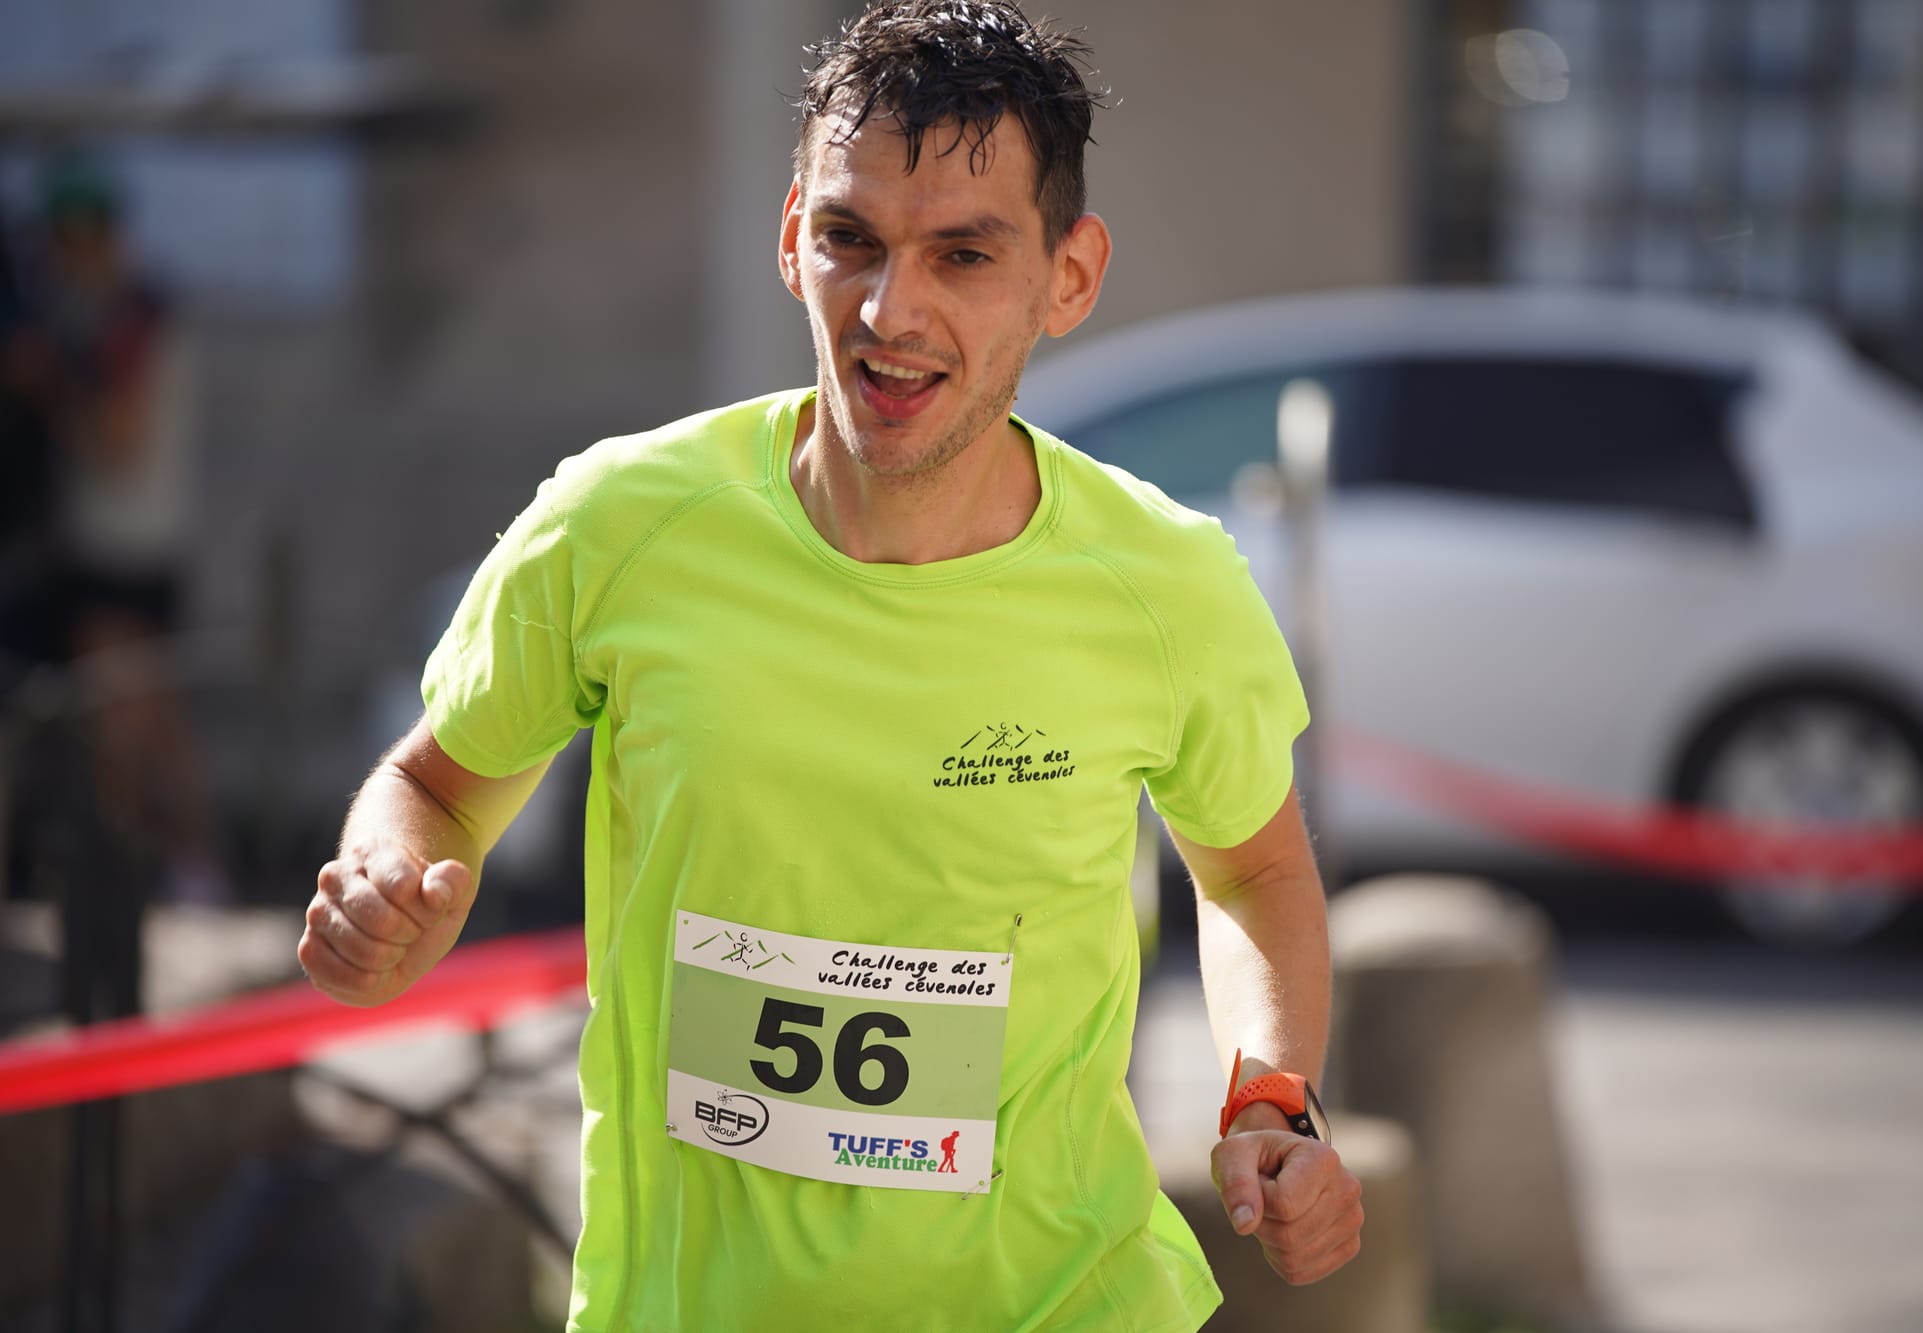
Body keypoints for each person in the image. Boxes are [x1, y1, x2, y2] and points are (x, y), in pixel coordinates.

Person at [299, 2, 1363, 1327]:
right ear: (793, 233)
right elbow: (438, 783)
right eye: (852, 239)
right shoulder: (619, 526)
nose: (888, 308)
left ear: (1068, 277)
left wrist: (1274, 1094)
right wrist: (388, 892)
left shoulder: (1167, 585)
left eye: (964, 254)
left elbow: (1254, 869)